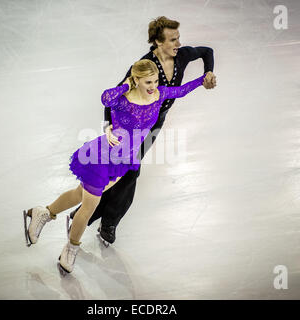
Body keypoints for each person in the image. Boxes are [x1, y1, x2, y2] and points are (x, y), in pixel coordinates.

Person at [26, 16, 217, 248]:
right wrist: (109, 127)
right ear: (157, 41)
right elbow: (111, 99)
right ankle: (95, 219)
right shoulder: (143, 67)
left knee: (127, 174)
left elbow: (207, 52)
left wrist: (208, 74)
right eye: (172, 40)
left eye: (178, 38)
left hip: (153, 125)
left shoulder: (183, 55)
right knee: (124, 174)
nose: (178, 43)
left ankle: (95, 218)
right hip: (127, 128)